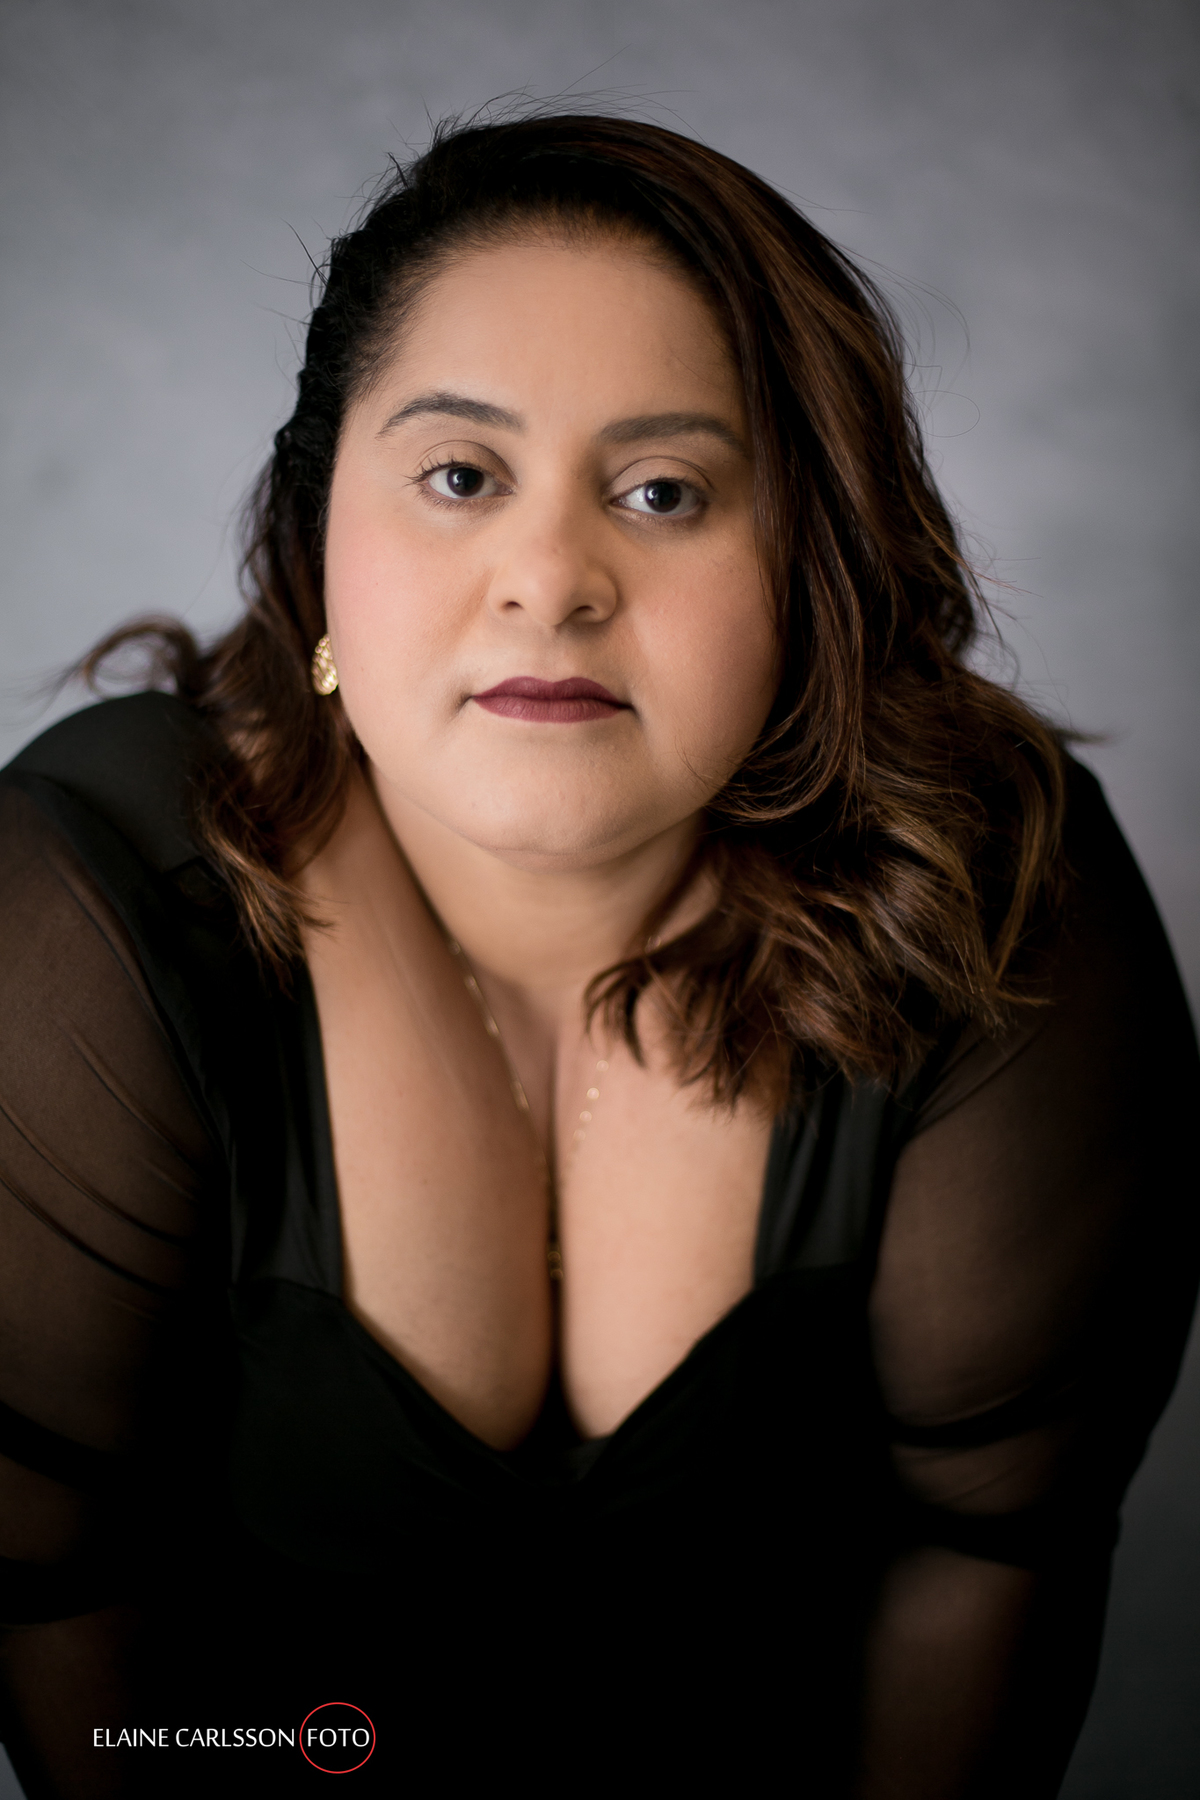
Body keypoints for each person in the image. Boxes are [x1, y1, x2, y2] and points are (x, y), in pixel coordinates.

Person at [0, 111, 1195, 1800]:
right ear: (317, 532)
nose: (552, 581)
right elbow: (56, 1586)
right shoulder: (91, 903)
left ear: (809, 563)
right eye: (460, 476)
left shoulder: (998, 890)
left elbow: (998, 1553)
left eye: (664, 491)